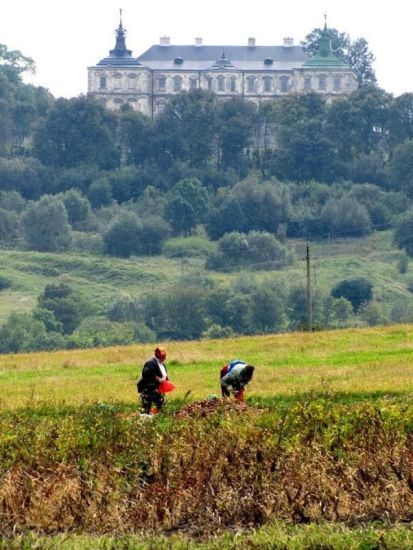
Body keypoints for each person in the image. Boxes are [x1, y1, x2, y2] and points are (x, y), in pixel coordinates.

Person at [137, 346, 169, 414]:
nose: (165, 357)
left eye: (165, 355)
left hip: (158, 391)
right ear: (158, 355)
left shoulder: (162, 364)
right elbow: (146, 374)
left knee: (161, 409)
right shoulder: (150, 363)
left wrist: (167, 381)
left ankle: (157, 420)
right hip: (149, 390)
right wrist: (158, 379)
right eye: (163, 356)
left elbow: (164, 375)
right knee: (146, 409)